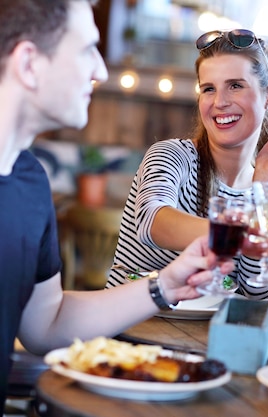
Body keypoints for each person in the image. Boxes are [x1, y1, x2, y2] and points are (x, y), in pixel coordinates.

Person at [0, 0, 234, 412]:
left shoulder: (30, 181)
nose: (101, 71)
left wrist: (165, 285)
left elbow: (46, 323)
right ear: (29, 63)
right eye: (87, 49)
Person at [105, 29, 268, 299]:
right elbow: (151, 222)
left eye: (235, 86)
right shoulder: (171, 155)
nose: (220, 102)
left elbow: (255, 293)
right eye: (208, 89)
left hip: (207, 339)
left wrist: (264, 182)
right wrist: (242, 234)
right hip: (133, 330)